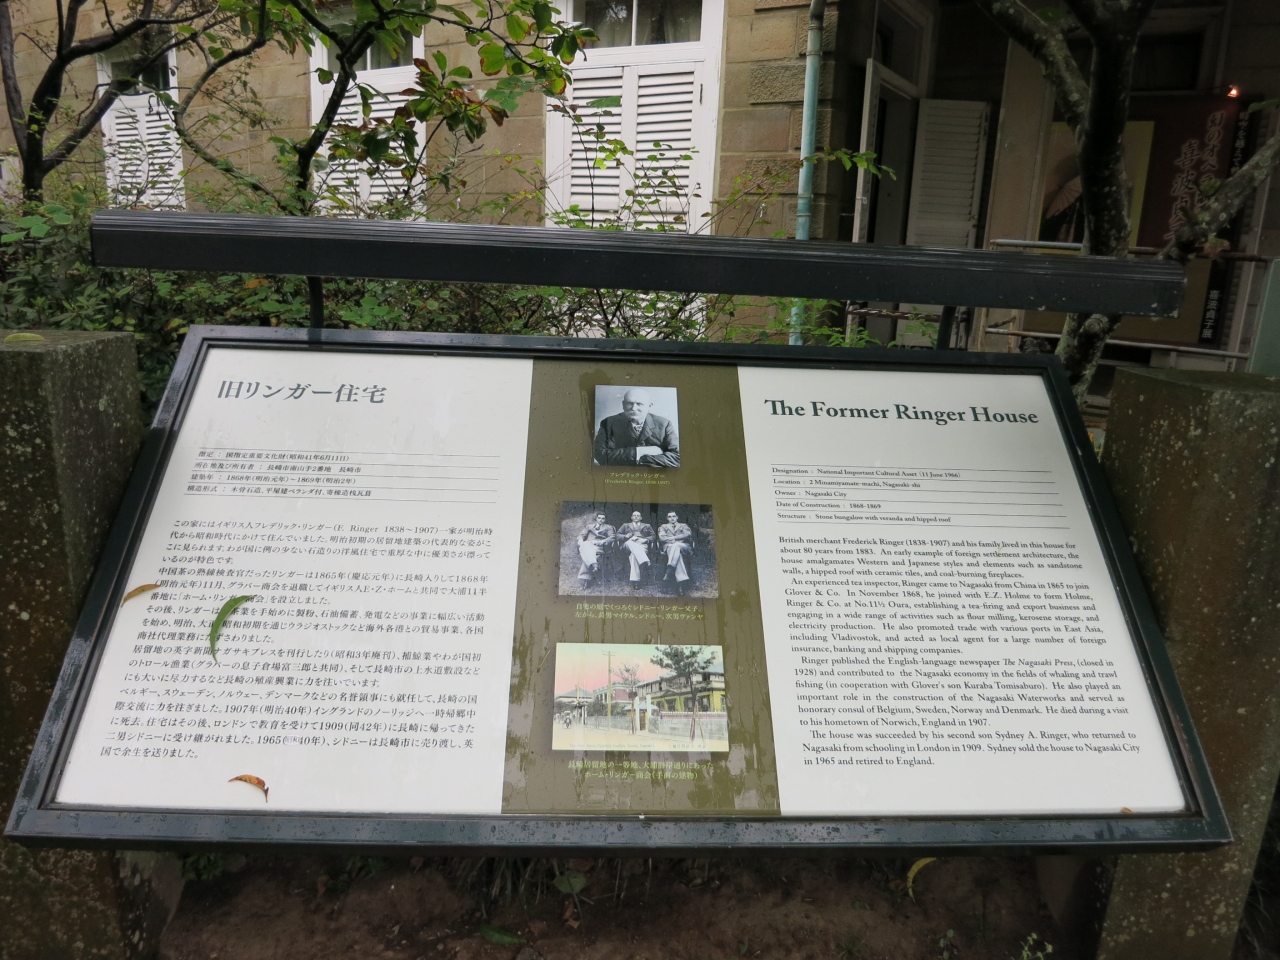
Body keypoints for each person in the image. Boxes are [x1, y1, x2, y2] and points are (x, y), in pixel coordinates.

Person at [593, 388, 680, 468]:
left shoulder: (664, 424)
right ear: (623, 405)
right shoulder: (608, 423)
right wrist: (640, 452)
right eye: (629, 403)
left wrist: (642, 459)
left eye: (639, 404)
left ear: (649, 406)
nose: (634, 408)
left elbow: (677, 458)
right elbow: (600, 455)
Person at [615, 510, 656, 589]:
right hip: (628, 544)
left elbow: (653, 536)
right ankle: (645, 560)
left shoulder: (647, 525)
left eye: (638, 515)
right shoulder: (625, 525)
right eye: (634, 515)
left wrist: (646, 539)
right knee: (630, 542)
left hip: (641, 544)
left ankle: (636, 581)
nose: (636, 517)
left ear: (641, 518)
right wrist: (625, 536)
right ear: (631, 517)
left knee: (633, 556)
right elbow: (617, 535)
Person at [658, 510, 694, 594]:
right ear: (667, 518)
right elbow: (662, 537)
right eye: (669, 517)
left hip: (683, 546)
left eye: (673, 516)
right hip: (669, 547)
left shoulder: (683, 525)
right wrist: (678, 539)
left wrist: (673, 538)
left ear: (677, 517)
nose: (672, 518)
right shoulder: (663, 526)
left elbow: (687, 534)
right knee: (677, 553)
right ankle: (681, 584)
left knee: (676, 545)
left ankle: (669, 571)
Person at [576, 512, 616, 583]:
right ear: (596, 519)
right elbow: (581, 535)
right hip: (588, 544)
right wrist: (580, 540)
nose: (601, 520)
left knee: (588, 554)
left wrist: (602, 542)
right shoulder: (589, 526)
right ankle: (594, 565)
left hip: (599, 545)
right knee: (585, 546)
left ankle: (587, 578)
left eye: (603, 518)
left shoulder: (608, 527)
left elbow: (612, 537)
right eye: (599, 518)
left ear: (605, 520)